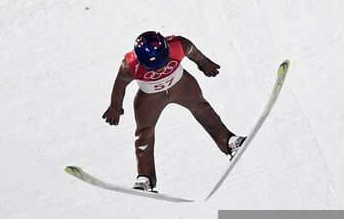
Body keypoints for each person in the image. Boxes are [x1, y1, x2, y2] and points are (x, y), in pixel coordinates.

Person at [102, 31, 245, 192]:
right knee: (144, 132)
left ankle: (228, 142)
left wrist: (204, 63)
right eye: (153, 67)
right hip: (150, 96)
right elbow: (120, 85)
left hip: (181, 85)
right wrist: (115, 107)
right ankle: (145, 178)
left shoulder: (177, 45)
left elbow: (194, 52)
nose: (160, 68)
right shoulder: (129, 65)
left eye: (162, 62)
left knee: (202, 108)